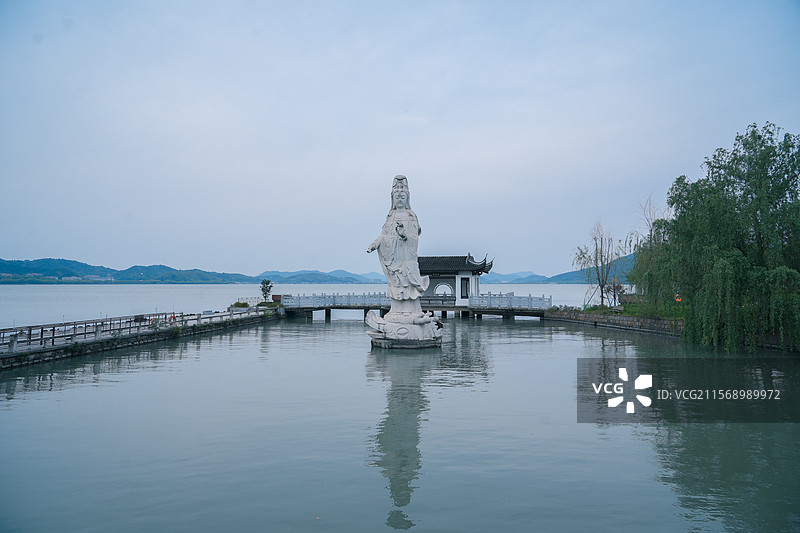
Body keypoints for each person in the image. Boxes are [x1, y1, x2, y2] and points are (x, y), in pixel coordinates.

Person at [367, 175, 430, 301]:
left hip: (406, 258)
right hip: (394, 258)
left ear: (407, 198)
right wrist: (376, 243)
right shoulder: (390, 216)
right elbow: (384, 235)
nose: (399, 199)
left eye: (402, 196)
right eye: (397, 197)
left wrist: (403, 235)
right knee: (396, 285)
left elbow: (414, 237)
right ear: (392, 199)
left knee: (408, 281)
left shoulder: (410, 215)